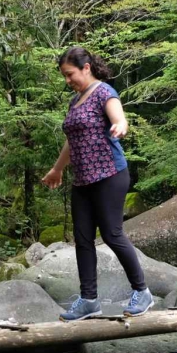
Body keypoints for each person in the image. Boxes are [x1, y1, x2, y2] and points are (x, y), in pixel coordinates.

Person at [41, 47, 153, 320]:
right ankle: (89, 300)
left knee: (112, 234)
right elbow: (72, 141)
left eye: (70, 74)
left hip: (109, 174)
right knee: (82, 239)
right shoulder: (75, 102)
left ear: (86, 68)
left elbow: (119, 118)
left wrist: (121, 126)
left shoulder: (105, 92)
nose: (68, 80)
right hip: (82, 180)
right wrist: (57, 169)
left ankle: (142, 292)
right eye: (64, 76)